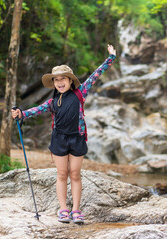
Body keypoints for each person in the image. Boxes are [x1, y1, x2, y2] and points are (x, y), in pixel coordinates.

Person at [11, 44, 116, 223]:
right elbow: (35, 110)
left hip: (77, 138)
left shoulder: (80, 93)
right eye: (56, 79)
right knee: (61, 174)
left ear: (70, 80)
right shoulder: (52, 102)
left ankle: (76, 209)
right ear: (53, 83)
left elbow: (95, 75)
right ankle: (63, 209)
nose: (60, 82)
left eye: (63, 79)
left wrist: (110, 58)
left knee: (74, 173)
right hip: (59, 139)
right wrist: (21, 113)